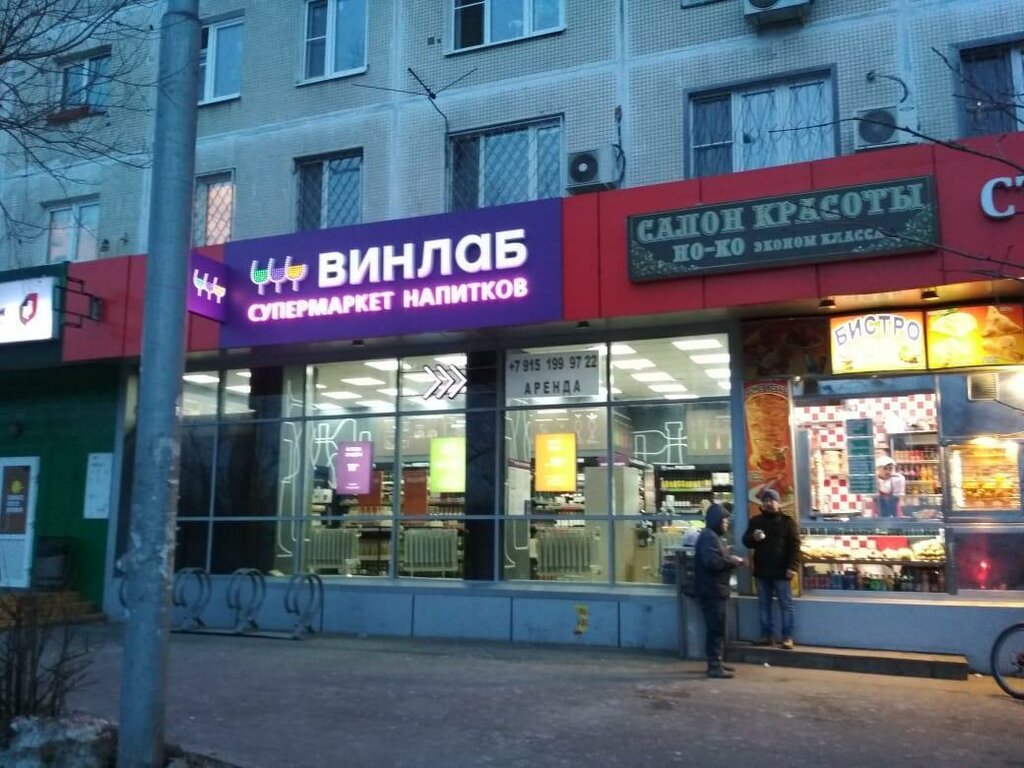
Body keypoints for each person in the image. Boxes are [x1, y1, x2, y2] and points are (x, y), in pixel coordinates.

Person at [742, 488, 800, 649]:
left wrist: (792, 567)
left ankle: (787, 637)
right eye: (765, 500)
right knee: (764, 604)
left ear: (778, 503)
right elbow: (746, 541)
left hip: (782, 571)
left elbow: (795, 547)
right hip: (762, 571)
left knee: (786, 605)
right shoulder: (756, 521)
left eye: (771, 500)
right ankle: (766, 635)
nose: (768, 503)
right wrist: (753, 537)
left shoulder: (787, 522)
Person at [693, 503, 745, 679]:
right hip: (712, 590)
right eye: (725, 520)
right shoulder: (709, 537)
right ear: (717, 520)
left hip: (715, 589)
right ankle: (714, 666)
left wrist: (730, 558)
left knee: (717, 628)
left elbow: (717, 558)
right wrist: (733, 561)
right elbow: (712, 562)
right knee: (715, 629)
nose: (727, 523)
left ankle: (717, 661)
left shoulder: (713, 536)